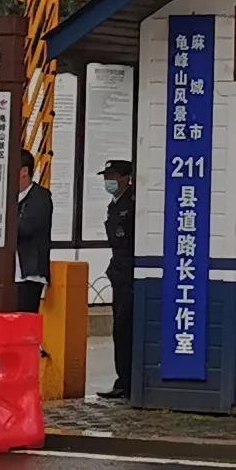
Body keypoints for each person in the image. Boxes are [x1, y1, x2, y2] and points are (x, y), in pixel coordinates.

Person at [100, 158, 137, 399]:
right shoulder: (115, 204)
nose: (108, 181)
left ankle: (127, 381)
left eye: (112, 176)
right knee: (120, 329)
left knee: (126, 328)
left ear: (125, 178)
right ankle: (122, 379)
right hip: (119, 272)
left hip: (129, 273)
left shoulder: (132, 203)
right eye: (106, 176)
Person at [11, 159, 54, 315]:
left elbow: (27, 228)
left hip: (31, 271)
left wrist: (5, 223)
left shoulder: (40, 197)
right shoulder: (12, 197)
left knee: (26, 317)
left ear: (24, 171)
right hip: (13, 271)